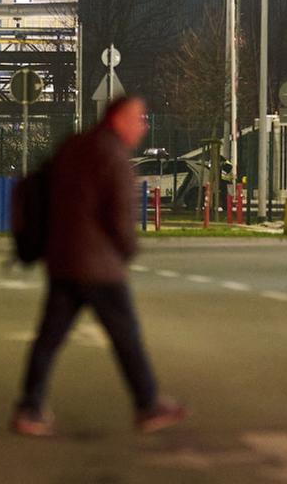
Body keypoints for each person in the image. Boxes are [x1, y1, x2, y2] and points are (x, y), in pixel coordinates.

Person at [11, 95, 184, 438]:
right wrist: (128, 250)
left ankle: (29, 408)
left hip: (63, 259)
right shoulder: (113, 155)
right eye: (139, 119)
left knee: (49, 338)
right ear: (118, 119)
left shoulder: (74, 145)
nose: (143, 127)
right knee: (126, 336)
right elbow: (119, 215)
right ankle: (148, 405)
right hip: (99, 265)